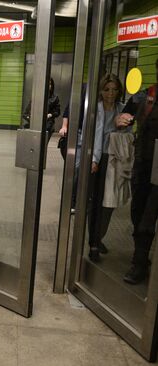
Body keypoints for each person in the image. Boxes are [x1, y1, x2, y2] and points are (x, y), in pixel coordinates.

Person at [116, 58, 158, 285]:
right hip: (143, 166)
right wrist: (122, 120)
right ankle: (140, 258)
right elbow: (122, 117)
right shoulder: (146, 96)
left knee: (147, 218)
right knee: (139, 214)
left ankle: (139, 261)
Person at [87, 74, 126, 262]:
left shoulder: (122, 109)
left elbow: (126, 138)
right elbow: (92, 135)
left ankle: (98, 237)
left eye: (115, 89)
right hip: (99, 160)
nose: (111, 93)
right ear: (101, 91)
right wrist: (93, 160)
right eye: (107, 89)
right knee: (96, 203)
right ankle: (93, 243)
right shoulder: (97, 109)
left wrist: (122, 126)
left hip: (114, 160)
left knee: (109, 204)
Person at [22, 78, 61, 143]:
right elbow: (25, 113)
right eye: (47, 84)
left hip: (47, 125)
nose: (49, 85)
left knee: (43, 144)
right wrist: (31, 118)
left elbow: (57, 112)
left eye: (50, 84)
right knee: (33, 144)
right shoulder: (36, 96)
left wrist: (50, 115)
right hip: (35, 125)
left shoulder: (55, 98)